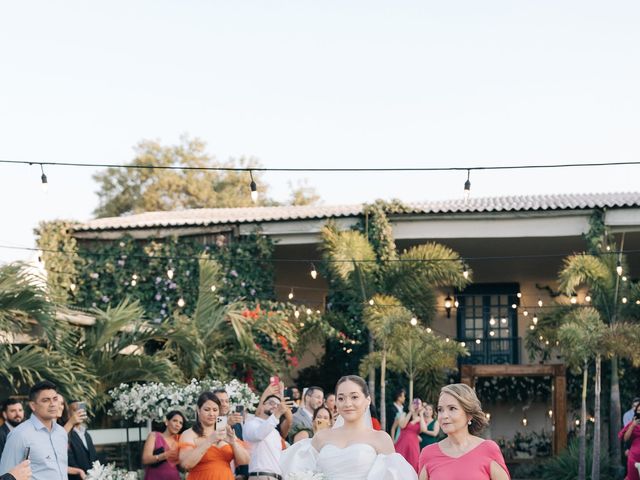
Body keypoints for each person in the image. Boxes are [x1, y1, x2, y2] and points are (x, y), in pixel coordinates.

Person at [281, 374, 418, 479]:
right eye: (341, 398)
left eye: (354, 397)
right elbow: (298, 470)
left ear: (367, 400)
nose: (347, 404)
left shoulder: (380, 438)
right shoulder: (322, 437)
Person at [418, 384, 509, 480]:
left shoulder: (489, 449)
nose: (444, 415)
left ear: (469, 414)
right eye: (440, 409)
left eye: (452, 408)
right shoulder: (428, 454)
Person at [0, 380, 67, 480]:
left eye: (55, 399)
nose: (53, 404)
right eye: (46, 400)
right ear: (33, 405)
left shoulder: (62, 433)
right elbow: (7, 475)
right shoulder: (19, 435)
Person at [179, 392, 250, 480]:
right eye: (207, 409)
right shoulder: (189, 434)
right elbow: (186, 464)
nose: (211, 414)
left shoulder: (225, 430)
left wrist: (233, 443)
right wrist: (209, 441)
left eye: (215, 410)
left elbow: (245, 461)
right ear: (198, 410)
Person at [243, 384, 290, 480]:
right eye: (271, 403)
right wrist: (277, 414)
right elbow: (258, 434)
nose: (275, 406)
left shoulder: (275, 432)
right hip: (260, 476)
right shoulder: (251, 423)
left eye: (277, 405)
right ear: (262, 405)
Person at [213, 388, 247, 479]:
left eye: (227, 401)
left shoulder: (236, 424)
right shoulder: (208, 422)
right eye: (221, 401)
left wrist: (243, 474)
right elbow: (216, 435)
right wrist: (226, 422)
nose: (224, 404)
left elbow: (241, 447)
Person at [142, 410, 185, 480]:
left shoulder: (180, 441)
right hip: (154, 477)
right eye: (175, 421)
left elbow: (181, 468)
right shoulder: (154, 436)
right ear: (167, 422)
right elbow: (145, 459)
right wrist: (165, 455)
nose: (178, 425)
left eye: (181, 423)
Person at [67, 401, 99, 480]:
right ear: (68, 414)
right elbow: (70, 462)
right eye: (75, 410)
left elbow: (94, 458)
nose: (79, 412)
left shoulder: (87, 434)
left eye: (81, 410)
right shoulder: (66, 434)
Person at [395, 398, 428, 472]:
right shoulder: (404, 414)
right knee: (399, 464)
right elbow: (402, 425)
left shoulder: (421, 418)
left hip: (413, 444)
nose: (416, 405)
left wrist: (421, 415)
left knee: (413, 463)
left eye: (419, 403)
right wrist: (410, 412)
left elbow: (424, 429)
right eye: (415, 403)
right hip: (402, 442)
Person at [619, 402, 640, 480]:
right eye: (638, 410)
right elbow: (625, 438)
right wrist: (633, 426)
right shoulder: (632, 424)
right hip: (634, 458)